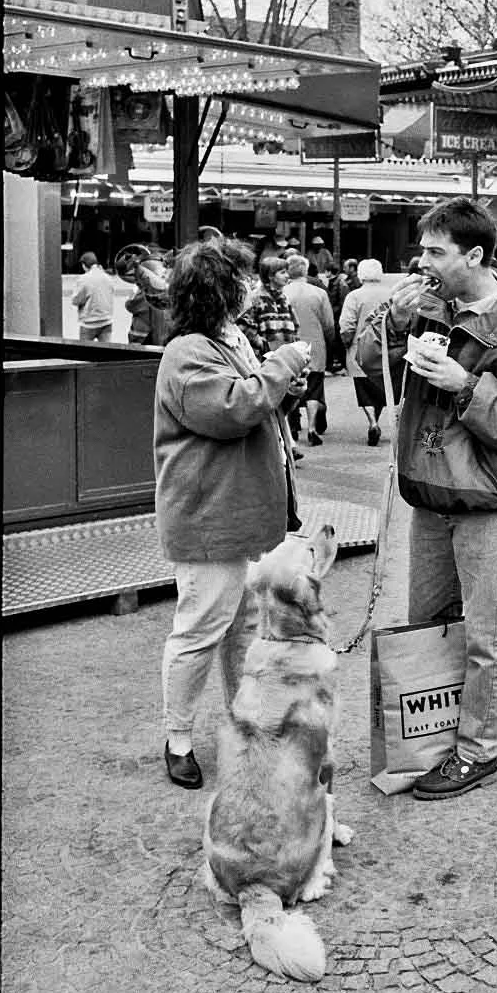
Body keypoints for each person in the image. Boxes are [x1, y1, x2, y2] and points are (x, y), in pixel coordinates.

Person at [355, 196, 497, 800]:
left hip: (486, 503)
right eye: (422, 248)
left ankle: (477, 752)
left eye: (434, 251)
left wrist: (465, 386)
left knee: (485, 634)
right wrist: (389, 326)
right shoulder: (428, 304)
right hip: (429, 496)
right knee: (428, 626)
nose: (421, 261)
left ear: (474, 255)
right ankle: (431, 739)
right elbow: (367, 368)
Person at [153, 238, 312, 789]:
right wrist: (283, 363)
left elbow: (260, 407)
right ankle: (178, 738)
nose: (252, 289)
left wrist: (287, 386)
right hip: (210, 520)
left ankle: (248, 727)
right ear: (221, 290)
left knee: (246, 629)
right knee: (200, 630)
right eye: (242, 280)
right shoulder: (188, 351)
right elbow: (232, 411)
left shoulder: (230, 339)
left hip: (244, 517)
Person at [239, 255, 303, 458]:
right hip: (266, 360)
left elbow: (295, 324)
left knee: (287, 398)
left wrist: (296, 348)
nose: (287, 275)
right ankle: (286, 445)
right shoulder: (256, 298)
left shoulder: (284, 298)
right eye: (282, 272)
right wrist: (262, 344)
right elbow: (244, 327)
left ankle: (285, 443)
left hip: (286, 357)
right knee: (273, 401)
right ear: (269, 276)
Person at [338, 258, 397, 445]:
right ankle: (376, 421)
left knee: (363, 390)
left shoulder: (354, 296)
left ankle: (372, 422)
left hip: (360, 350)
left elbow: (346, 325)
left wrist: (347, 342)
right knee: (380, 389)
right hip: (387, 349)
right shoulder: (391, 295)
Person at [284, 254, 335, 445]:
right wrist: (329, 342)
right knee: (314, 388)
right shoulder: (319, 293)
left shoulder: (282, 292)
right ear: (305, 270)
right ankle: (312, 428)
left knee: (290, 385)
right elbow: (329, 324)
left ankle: (292, 426)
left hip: (290, 346)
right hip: (314, 345)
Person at [72, 251, 114, 342]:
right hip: (106, 321)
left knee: (86, 353)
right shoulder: (108, 278)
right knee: (106, 352)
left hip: (89, 323)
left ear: (84, 265)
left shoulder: (83, 279)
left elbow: (75, 300)